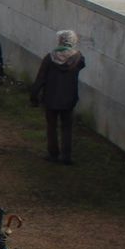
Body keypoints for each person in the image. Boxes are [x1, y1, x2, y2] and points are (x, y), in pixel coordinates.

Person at [30, 29, 86, 164]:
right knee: (67, 127)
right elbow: (82, 65)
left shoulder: (49, 58)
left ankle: (53, 154)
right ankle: (66, 156)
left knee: (51, 126)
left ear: (59, 40)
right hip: (69, 98)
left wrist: (34, 96)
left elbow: (40, 79)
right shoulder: (78, 58)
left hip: (50, 98)